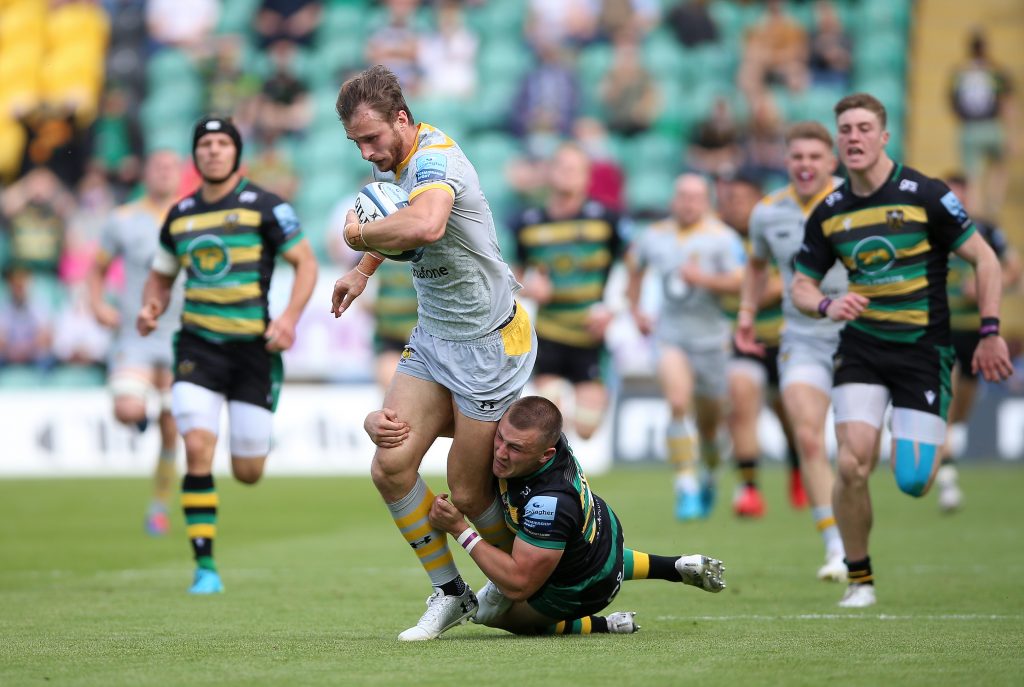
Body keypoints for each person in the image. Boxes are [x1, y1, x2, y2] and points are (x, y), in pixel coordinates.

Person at [330, 65, 537, 641]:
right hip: (433, 338)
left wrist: (358, 238)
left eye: (373, 138)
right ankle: (450, 592)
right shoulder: (400, 164)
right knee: (391, 463)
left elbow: (423, 225)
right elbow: (401, 216)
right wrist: (364, 270)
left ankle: (522, 578)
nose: (368, 153)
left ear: (403, 119)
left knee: (467, 491)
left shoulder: (436, 161)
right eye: (356, 144)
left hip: (488, 344)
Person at [792, 93, 1014, 608]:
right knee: (851, 464)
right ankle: (859, 578)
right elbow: (800, 287)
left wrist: (990, 330)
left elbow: (986, 261)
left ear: (883, 136)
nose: (854, 137)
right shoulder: (830, 210)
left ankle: (906, 425)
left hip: (923, 351)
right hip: (862, 350)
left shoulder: (927, 195)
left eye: (864, 127)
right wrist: (827, 304)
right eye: (845, 128)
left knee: (914, 480)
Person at [136, 116, 318, 594]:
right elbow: (161, 273)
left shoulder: (266, 207)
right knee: (196, 446)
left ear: (236, 153)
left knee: (248, 472)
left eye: (222, 143)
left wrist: (290, 319)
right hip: (197, 347)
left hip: (253, 353)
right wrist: (152, 304)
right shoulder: (180, 215)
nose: (213, 151)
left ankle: (254, 439)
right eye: (205, 144)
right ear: (195, 155)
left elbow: (306, 263)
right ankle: (205, 566)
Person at [375, 396, 727, 636]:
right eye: (500, 439)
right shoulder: (539, 436)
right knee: (564, 551)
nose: (499, 453)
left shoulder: (549, 503)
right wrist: (375, 421)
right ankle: (674, 567)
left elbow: (519, 584)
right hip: (598, 537)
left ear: (545, 456)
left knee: (490, 615)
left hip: (584, 587)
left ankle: (603, 625)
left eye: (515, 449)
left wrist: (459, 529)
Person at [734, 122, 848, 580]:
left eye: (814, 157)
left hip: (864, 335)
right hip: (802, 337)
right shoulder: (767, 212)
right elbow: (757, 266)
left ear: (831, 163)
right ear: (787, 161)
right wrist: (746, 312)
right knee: (808, 437)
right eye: (797, 157)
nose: (805, 165)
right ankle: (836, 547)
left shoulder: (858, 202)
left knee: (861, 457)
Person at [625, 173, 745, 520]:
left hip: (711, 341)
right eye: (683, 196)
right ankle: (686, 485)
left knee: (710, 423)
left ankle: (709, 473)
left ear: (706, 201)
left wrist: (703, 279)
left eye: (696, 196)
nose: (688, 202)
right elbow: (634, 268)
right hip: (670, 335)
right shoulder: (653, 236)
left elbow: (740, 283)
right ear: (673, 200)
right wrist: (636, 310)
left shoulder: (723, 238)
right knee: (678, 402)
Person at [88, 150, 185, 536]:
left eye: (170, 167)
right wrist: (97, 305)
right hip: (137, 333)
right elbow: (96, 269)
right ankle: (140, 412)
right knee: (127, 409)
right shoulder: (123, 219)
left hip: (182, 334)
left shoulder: (192, 215)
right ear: (145, 172)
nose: (164, 173)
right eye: (157, 167)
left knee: (172, 428)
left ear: (180, 174)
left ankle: (158, 507)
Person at [511, 142, 628, 441]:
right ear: (550, 173)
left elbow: (632, 268)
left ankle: (606, 387)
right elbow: (511, 276)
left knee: (587, 430)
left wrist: (612, 309)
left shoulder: (605, 219)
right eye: (561, 167)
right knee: (551, 422)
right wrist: (527, 287)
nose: (567, 174)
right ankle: (560, 479)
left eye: (574, 169)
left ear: (587, 177)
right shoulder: (528, 223)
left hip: (590, 334)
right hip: (549, 332)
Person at [717, 169, 801, 518]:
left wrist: (734, 286)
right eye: (727, 199)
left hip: (785, 339)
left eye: (739, 199)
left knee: (791, 415)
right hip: (742, 340)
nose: (731, 206)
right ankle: (749, 489)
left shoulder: (779, 234)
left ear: (757, 201)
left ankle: (798, 472)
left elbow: (786, 283)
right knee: (741, 402)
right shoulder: (720, 239)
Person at [936, 173, 1021, 512]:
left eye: (960, 195)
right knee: (949, 394)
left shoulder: (985, 231)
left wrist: (986, 282)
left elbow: (1013, 269)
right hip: (944, 329)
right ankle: (947, 480)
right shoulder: (930, 230)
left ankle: (948, 463)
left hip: (977, 332)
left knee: (962, 410)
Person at [948, 30, 1016, 219]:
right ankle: (993, 206)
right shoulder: (995, 71)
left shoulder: (960, 73)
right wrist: (1011, 134)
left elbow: (952, 103)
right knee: (1000, 166)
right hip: (993, 126)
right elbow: (1006, 102)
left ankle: (975, 213)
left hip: (969, 128)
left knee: (972, 176)